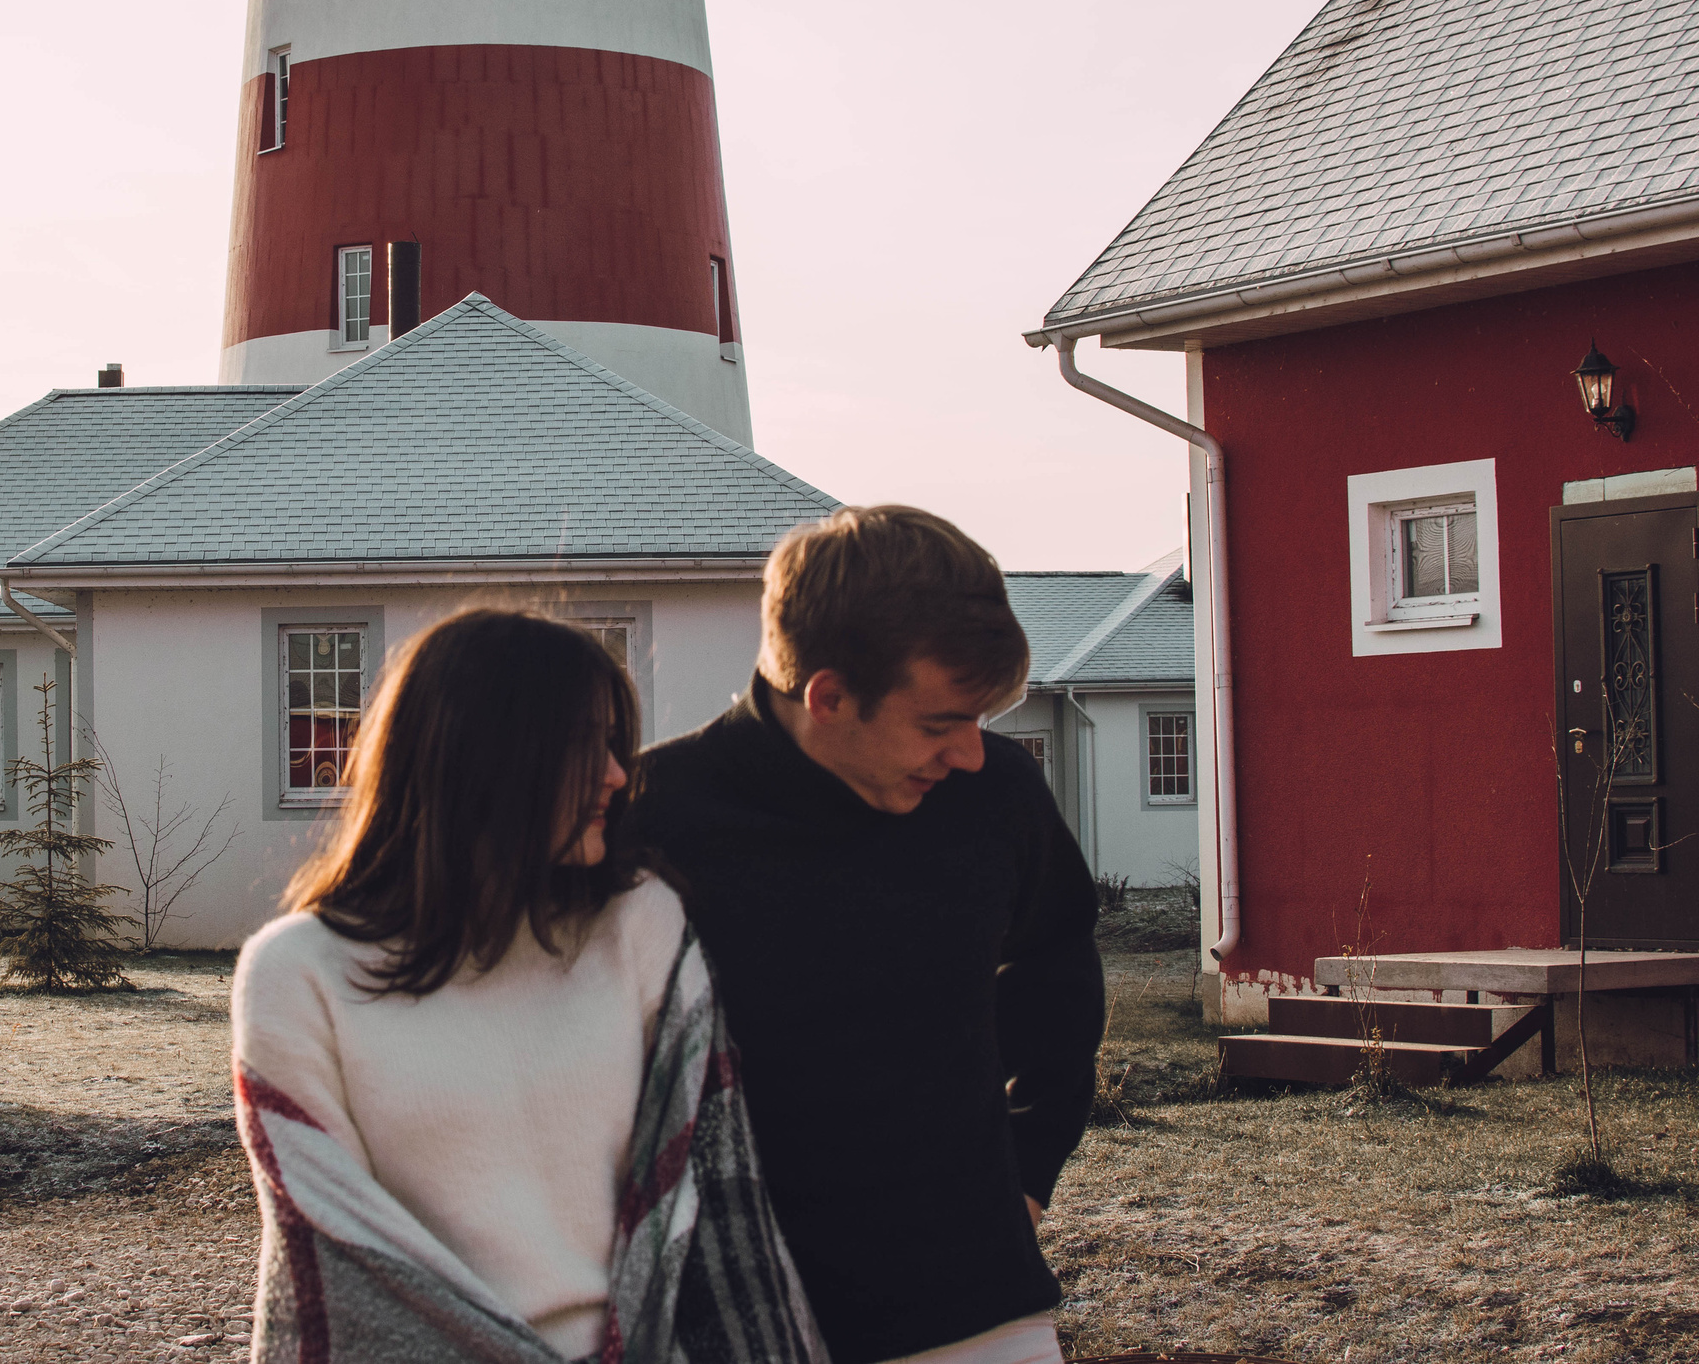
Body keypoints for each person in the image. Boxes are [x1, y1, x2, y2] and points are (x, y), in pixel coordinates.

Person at [231, 608, 827, 1364]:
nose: (618, 772)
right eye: (585, 744)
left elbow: (713, 1194)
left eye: (615, 743)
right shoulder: (297, 972)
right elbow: (344, 1257)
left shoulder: (638, 924)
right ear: (481, 755)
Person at [628, 506, 1106, 1364]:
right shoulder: (652, 818)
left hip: (982, 1312)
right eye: (940, 723)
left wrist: (1031, 1166)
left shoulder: (996, 794)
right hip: (730, 1326)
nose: (970, 752)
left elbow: (1057, 955)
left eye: (983, 719)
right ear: (829, 695)